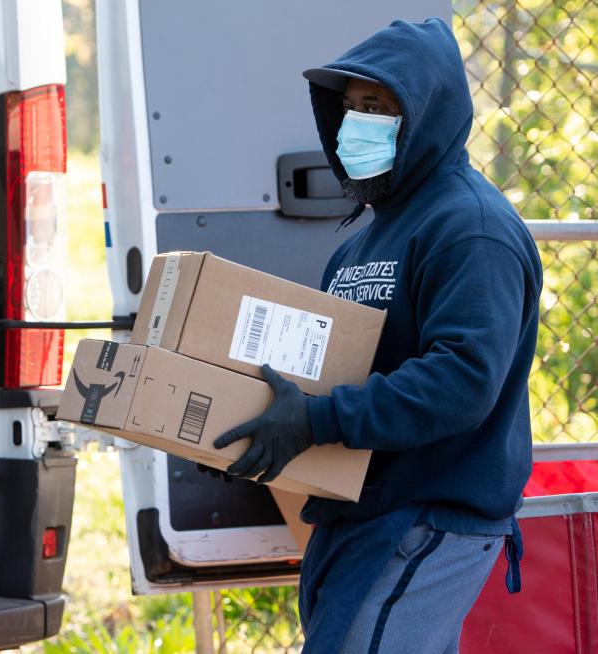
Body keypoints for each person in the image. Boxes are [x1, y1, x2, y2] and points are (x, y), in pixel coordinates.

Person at [212, 18, 542, 653]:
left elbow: (461, 379)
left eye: (379, 107)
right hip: (361, 519)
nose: (357, 122)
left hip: (428, 519)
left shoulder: (471, 228)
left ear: (428, 114)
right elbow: (334, 370)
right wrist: (254, 424)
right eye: (353, 106)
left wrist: (320, 420)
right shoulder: (367, 235)